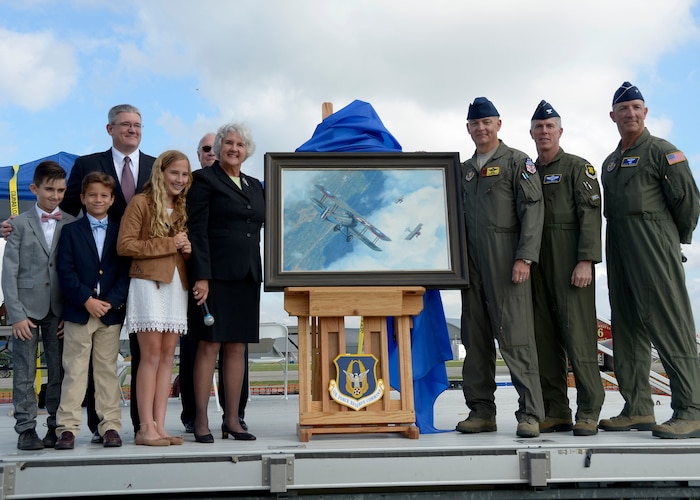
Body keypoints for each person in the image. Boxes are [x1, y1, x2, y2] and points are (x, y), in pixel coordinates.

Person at [599, 82, 700, 439]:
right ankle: (638, 407)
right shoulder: (610, 163)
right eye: (623, 109)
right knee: (626, 329)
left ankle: (691, 409)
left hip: (654, 245)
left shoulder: (662, 151)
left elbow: (688, 200)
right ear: (613, 116)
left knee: (670, 324)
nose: (630, 113)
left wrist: (674, 240)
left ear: (645, 112)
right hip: (620, 248)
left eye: (636, 107)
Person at [63, 103, 156, 441]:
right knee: (94, 360)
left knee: (144, 352)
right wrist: (23, 225)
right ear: (110, 129)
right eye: (125, 124)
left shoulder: (155, 166)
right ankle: (98, 425)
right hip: (98, 280)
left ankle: (140, 423)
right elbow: (66, 211)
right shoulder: (88, 165)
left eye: (138, 125)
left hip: (144, 273)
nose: (132, 130)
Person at [456, 97, 545, 438]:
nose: (481, 128)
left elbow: (532, 211)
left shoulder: (517, 162)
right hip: (471, 266)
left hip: (506, 260)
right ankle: (481, 411)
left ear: (498, 125)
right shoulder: (464, 170)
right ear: (468, 128)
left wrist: (525, 257)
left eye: (487, 122)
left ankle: (530, 414)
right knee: (474, 340)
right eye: (475, 124)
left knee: (516, 338)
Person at [528, 100, 605, 437]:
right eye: (539, 127)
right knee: (544, 340)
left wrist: (586, 260)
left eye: (550, 127)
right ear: (531, 133)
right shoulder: (528, 171)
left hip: (570, 260)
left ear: (560, 131)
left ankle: (588, 410)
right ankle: (556, 410)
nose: (545, 132)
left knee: (579, 338)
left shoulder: (577, 167)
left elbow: (590, 215)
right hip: (538, 261)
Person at [187, 123, 264, 443]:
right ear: (218, 148)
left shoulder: (255, 184)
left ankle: (233, 420)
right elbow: (197, 230)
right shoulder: (203, 180)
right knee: (209, 346)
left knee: (237, 347)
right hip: (214, 277)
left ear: (247, 150)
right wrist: (201, 276)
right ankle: (201, 419)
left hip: (247, 275)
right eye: (228, 143)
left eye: (240, 144)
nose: (234, 148)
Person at [117, 150, 192, 446]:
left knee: (166, 358)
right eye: (175, 173)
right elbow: (125, 245)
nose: (180, 179)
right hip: (148, 284)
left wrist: (187, 249)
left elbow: (181, 249)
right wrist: (169, 243)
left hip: (176, 286)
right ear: (160, 172)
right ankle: (144, 427)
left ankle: (160, 426)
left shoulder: (183, 206)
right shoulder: (141, 202)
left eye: (185, 174)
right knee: (149, 357)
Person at [54, 172, 131, 449]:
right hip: (79, 311)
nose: (98, 199)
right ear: (83, 199)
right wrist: (87, 299)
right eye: (92, 195)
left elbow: (125, 273)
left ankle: (110, 425)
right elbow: (66, 271)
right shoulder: (71, 231)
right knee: (74, 370)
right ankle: (68, 428)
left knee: (106, 371)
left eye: (103, 195)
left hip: (109, 314)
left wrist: (110, 301)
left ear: (111, 200)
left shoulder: (121, 230)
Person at [1, 161, 74, 450]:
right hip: (26, 312)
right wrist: (16, 314)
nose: (55, 195)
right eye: (49, 190)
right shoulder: (17, 224)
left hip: (58, 311)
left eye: (61, 190)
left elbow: (73, 270)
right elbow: (10, 272)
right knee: (24, 371)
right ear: (34, 189)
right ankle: (26, 428)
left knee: (59, 370)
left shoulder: (70, 222)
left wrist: (69, 314)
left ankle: (55, 425)